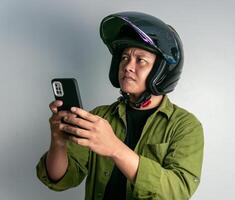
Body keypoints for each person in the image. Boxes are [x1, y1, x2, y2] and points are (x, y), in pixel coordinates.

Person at [36, 11, 204, 200]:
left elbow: (177, 192)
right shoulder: (99, 117)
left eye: (140, 60)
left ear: (161, 72)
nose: (127, 66)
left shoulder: (186, 126)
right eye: (124, 58)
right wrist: (58, 142)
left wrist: (115, 148)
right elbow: (62, 179)